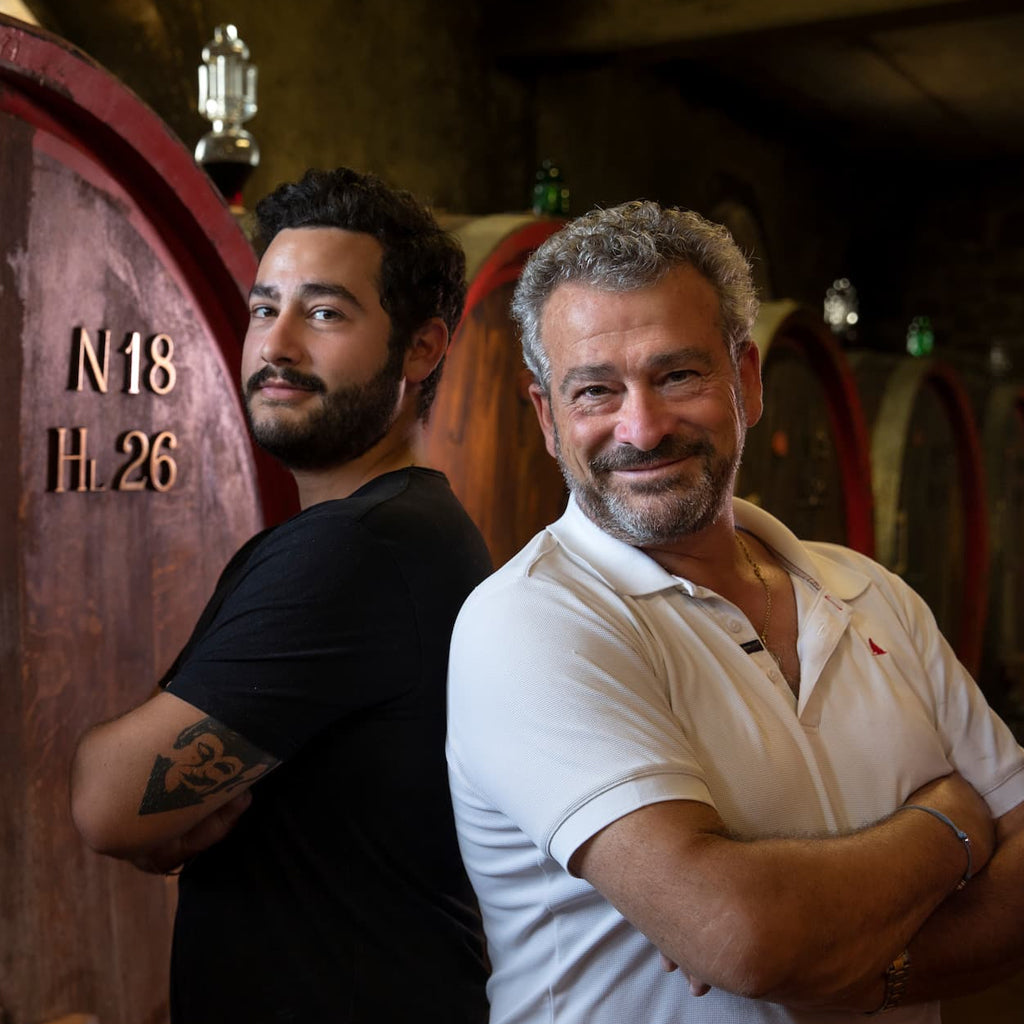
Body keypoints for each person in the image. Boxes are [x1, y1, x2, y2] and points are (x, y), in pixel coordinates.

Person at [446, 200, 1024, 1023]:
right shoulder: (531, 622)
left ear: (746, 380)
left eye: (677, 375)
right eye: (595, 391)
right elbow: (742, 938)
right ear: (546, 417)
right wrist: (953, 822)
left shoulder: (871, 591)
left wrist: (876, 973)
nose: (640, 428)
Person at [71, 167, 492, 1024]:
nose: (278, 345)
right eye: (266, 308)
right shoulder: (405, 525)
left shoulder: (357, 548)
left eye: (327, 313)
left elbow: (107, 802)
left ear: (422, 348)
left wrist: (146, 807)